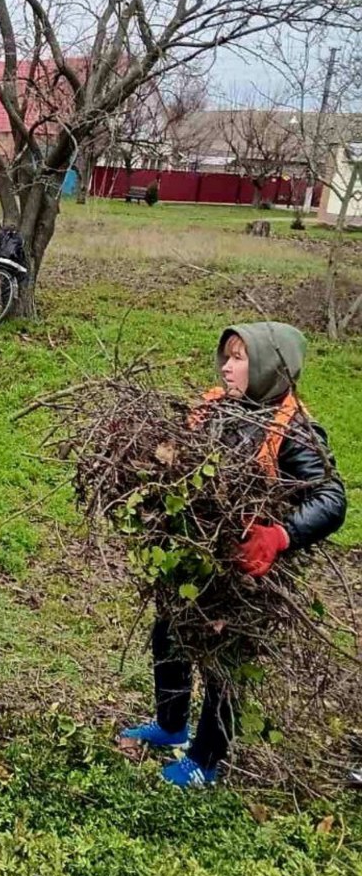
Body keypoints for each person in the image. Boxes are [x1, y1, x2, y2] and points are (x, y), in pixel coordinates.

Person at [121, 322, 346, 788]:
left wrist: (278, 536)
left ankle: (205, 760)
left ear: (270, 366)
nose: (227, 365)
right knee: (169, 634)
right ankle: (170, 725)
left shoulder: (295, 429)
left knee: (224, 662)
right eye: (226, 355)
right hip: (192, 556)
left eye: (241, 357)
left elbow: (331, 499)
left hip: (245, 571)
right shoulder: (216, 408)